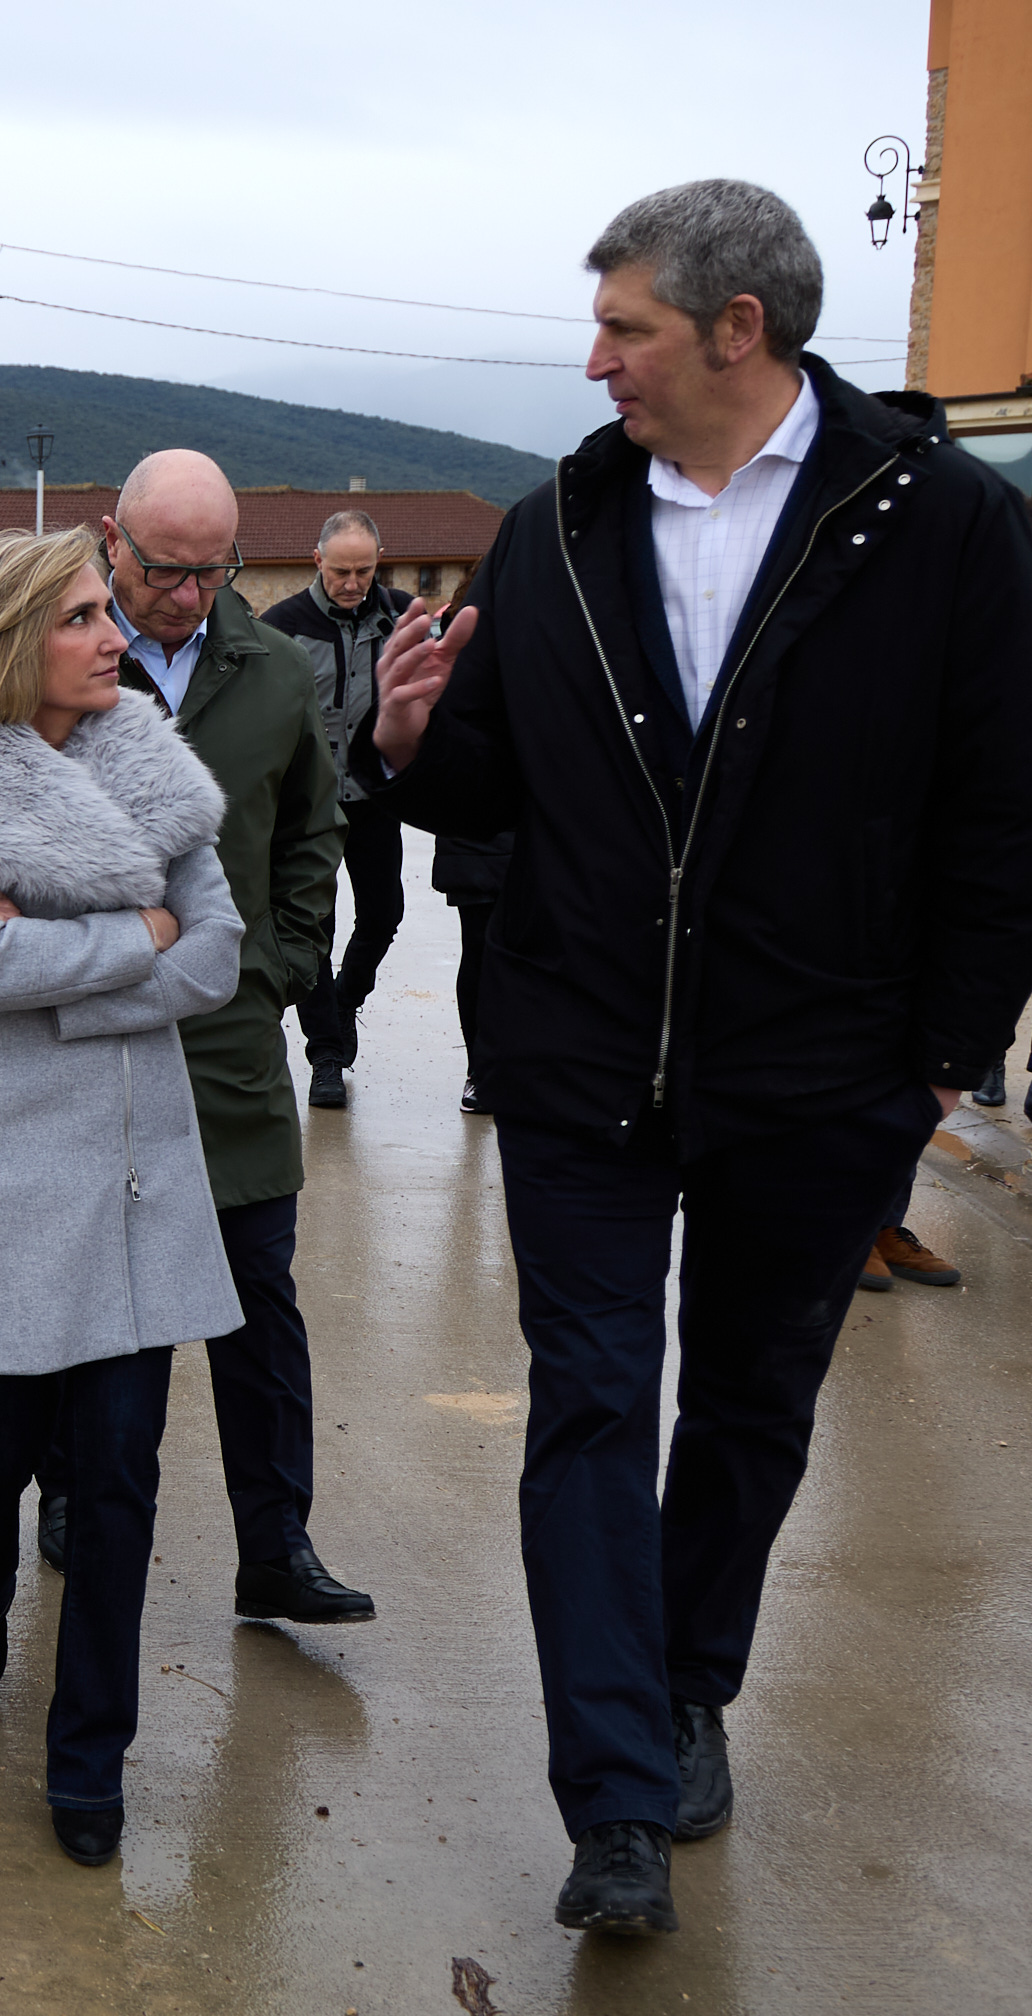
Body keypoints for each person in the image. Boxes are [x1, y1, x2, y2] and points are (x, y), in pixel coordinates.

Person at [368, 180, 1032, 1935]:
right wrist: (410, 748)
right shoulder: (554, 527)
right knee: (587, 1400)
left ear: (736, 330)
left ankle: (681, 1688)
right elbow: (483, 785)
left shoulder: (944, 527)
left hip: (817, 1079)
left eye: (624, 331)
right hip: (577, 1053)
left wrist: (932, 1063)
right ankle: (606, 1801)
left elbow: (999, 813)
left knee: (746, 1406)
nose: (593, 364)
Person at [0, 529, 244, 1868]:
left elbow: (212, 955)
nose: (115, 636)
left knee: (121, 1475)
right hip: (6, 1159)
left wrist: (69, 960)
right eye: (84, 617)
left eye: (110, 612)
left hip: (141, 1162)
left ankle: (91, 1760)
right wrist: (123, 939)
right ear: (9, 636)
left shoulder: (148, 757)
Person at [34, 453, 371, 1628]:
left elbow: (312, 837)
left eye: (211, 570)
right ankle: (68, 1498)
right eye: (164, 569)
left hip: (228, 1051)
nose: (185, 594)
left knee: (257, 1305)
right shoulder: (52, 661)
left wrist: (271, 971)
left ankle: (275, 1544)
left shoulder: (272, 672)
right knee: (88, 1300)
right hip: (79, 1043)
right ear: (109, 540)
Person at [262, 511, 410, 1109]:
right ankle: (325, 1053)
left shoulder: (400, 618)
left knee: (384, 913)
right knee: (311, 929)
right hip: (309, 806)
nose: (353, 583)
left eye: (365, 570)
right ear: (316, 560)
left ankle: (345, 1001)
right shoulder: (282, 628)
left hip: (375, 799)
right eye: (342, 570)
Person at [433, 833, 512, 1114]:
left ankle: (520, 1064)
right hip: (474, 834)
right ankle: (479, 1070)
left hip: (540, 828)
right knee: (479, 946)